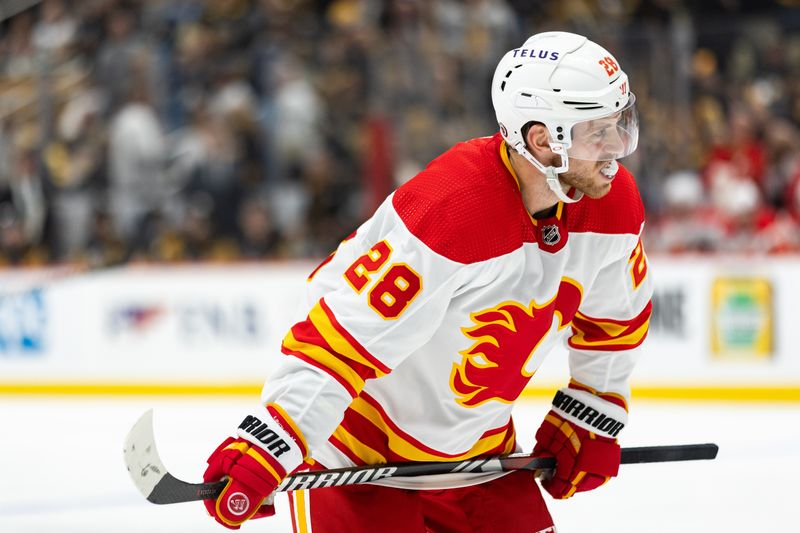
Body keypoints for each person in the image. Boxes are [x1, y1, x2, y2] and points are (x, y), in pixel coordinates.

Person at [202, 31, 653, 532]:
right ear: (543, 139)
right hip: (359, 463)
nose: (616, 147)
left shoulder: (613, 204)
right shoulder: (452, 209)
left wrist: (590, 410)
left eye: (618, 125)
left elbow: (615, 320)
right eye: (597, 131)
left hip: (481, 460)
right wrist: (270, 440)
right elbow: (343, 339)